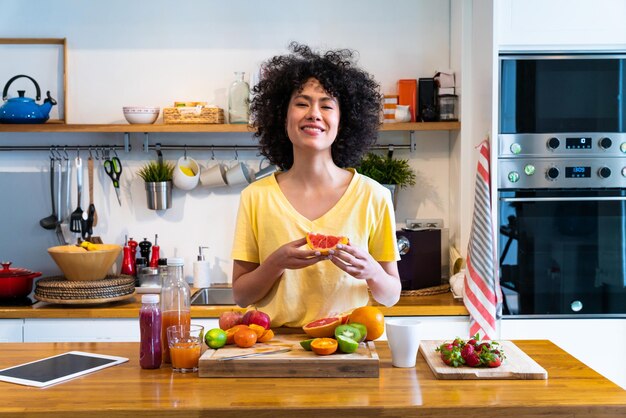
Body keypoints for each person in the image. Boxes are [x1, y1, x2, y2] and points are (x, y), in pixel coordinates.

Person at [231, 42, 401, 328]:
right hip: (273, 350)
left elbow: (391, 295)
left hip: (349, 347)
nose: (314, 113)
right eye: (301, 103)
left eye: (326, 105)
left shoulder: (375, 196)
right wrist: (275, 263)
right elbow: (241, 294)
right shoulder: (255, 197)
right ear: (282, 118)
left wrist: (371, 271)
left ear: (343, 120)